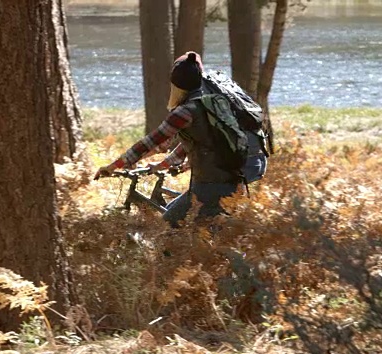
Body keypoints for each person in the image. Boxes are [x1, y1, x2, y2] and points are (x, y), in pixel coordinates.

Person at [95, 51, 264, 227]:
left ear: (176, 85)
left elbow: (151, 142)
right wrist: (165, 165)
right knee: (179, 218)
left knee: (168, 227)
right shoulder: (211, 104)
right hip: (230, 182)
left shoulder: (185, 112)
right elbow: (200, 143)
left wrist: (114, 166)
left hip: (211, 188)